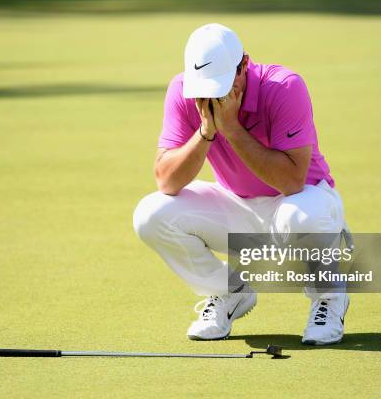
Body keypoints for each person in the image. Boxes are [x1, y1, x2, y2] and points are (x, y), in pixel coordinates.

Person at [133, 23, 349, 345]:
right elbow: (166, 180)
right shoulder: (183, 92)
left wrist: (232, 129)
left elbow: (292, 181)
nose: (211, 95)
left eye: (219, 85)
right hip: (234, 205)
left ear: (244, 65)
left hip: (303, 201)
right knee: (151, 214)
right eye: (204, 87)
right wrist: (206, 131)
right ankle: (230, 292)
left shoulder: (284, 87)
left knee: (300, 216)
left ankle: (330, 299)